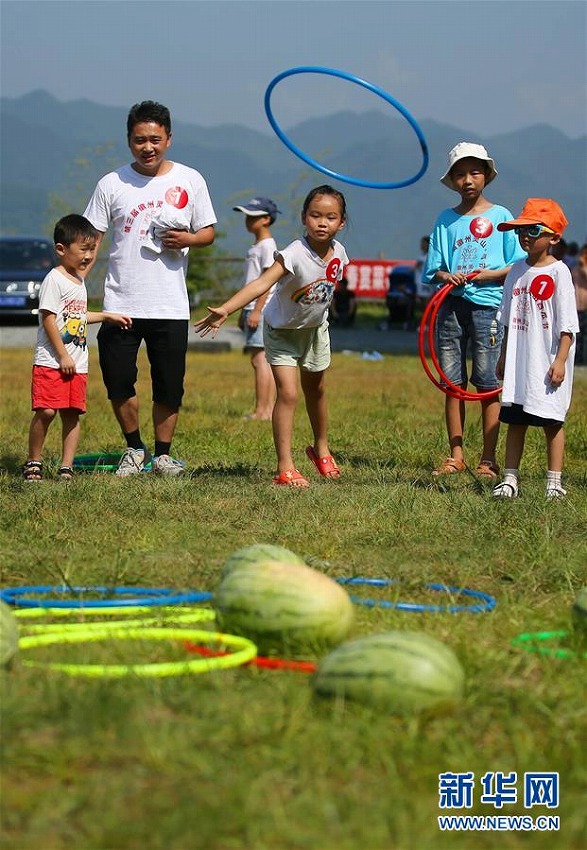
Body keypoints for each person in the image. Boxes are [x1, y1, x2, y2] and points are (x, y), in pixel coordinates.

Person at [84, 101, 217, 477]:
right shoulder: (111, 183)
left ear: (169, 139)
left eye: (155, 139)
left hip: (170, 304)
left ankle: (162, 455)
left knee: (169, 385)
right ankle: (134, 448)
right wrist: (72, 283)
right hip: (120, 302)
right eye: (140, 140)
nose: (148, 147)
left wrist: (188, 238)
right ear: (129, 141)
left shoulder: (190, 180)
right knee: (118, 378)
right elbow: (90, 240)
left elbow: (208, 232)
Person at [195, 185, 349, 487]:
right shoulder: (292, 253)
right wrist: (226, 309)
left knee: (316, 390)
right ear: (304, 217)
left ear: (341, 223)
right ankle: (285, 467)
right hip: (281, 332)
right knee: (289, 394)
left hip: (315, 332)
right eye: (315, 215)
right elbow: (260, 284)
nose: (322, 222)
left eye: (330, 217)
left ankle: (321, 448)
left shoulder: (341, 254)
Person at [423, 142, 527, 480]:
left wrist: (488, 275)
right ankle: (456, 456)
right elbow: (433, 267)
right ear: (452, 180)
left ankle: (488, 458)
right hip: (450, 305)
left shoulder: (501, 217)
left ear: (486, 176)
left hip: (488, 307)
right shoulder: (444, 219)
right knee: (452, 382)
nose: (468, 180)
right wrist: (445, 275)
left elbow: (515, 264)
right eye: (460, 174)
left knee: (486, 382)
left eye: (475, 172)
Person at [23, 215, 132, 482]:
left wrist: (107, 316)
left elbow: (77, 316)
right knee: (47, 411)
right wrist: (62, 355)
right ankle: (33, 461)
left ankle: (66, 466)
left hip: (77, 364)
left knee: (72, 415)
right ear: (61, 249)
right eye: (83, 249)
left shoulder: (78, 280)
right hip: (52, 361)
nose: (88, 256)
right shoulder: (54, 279)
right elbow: (49, 318)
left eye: (92, 249)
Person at [492, 199, 579, 499]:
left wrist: (561, 360)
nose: (525, 236)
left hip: (547, 363)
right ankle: (509, 479)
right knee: (515, 421)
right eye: (521, 230)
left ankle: (554, 483)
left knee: (552, 422)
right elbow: (506, 318)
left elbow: (568, 325)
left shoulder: (560, 273)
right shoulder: (516, 271)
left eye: (533, 229)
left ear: (554, 237)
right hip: (519, 362)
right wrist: (503, 355)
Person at [232, 197, 280, 421]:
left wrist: (257, 310)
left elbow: (266, 281)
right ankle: (266, 409)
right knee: (260, 359)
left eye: (253, 216)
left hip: (259, 307)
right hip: (251, 307)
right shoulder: (259, 245)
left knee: (259, 359)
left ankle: (263, 410)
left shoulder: (268, 246)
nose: (247, 220)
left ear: (266, 220)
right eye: (247, 215)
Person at [571, 244, 587, 364]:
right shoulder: (575, 269)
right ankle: (578, 359)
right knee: (578, 335)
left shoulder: (582, 270)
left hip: (585, 308)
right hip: (576, 307)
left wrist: (583, 268)